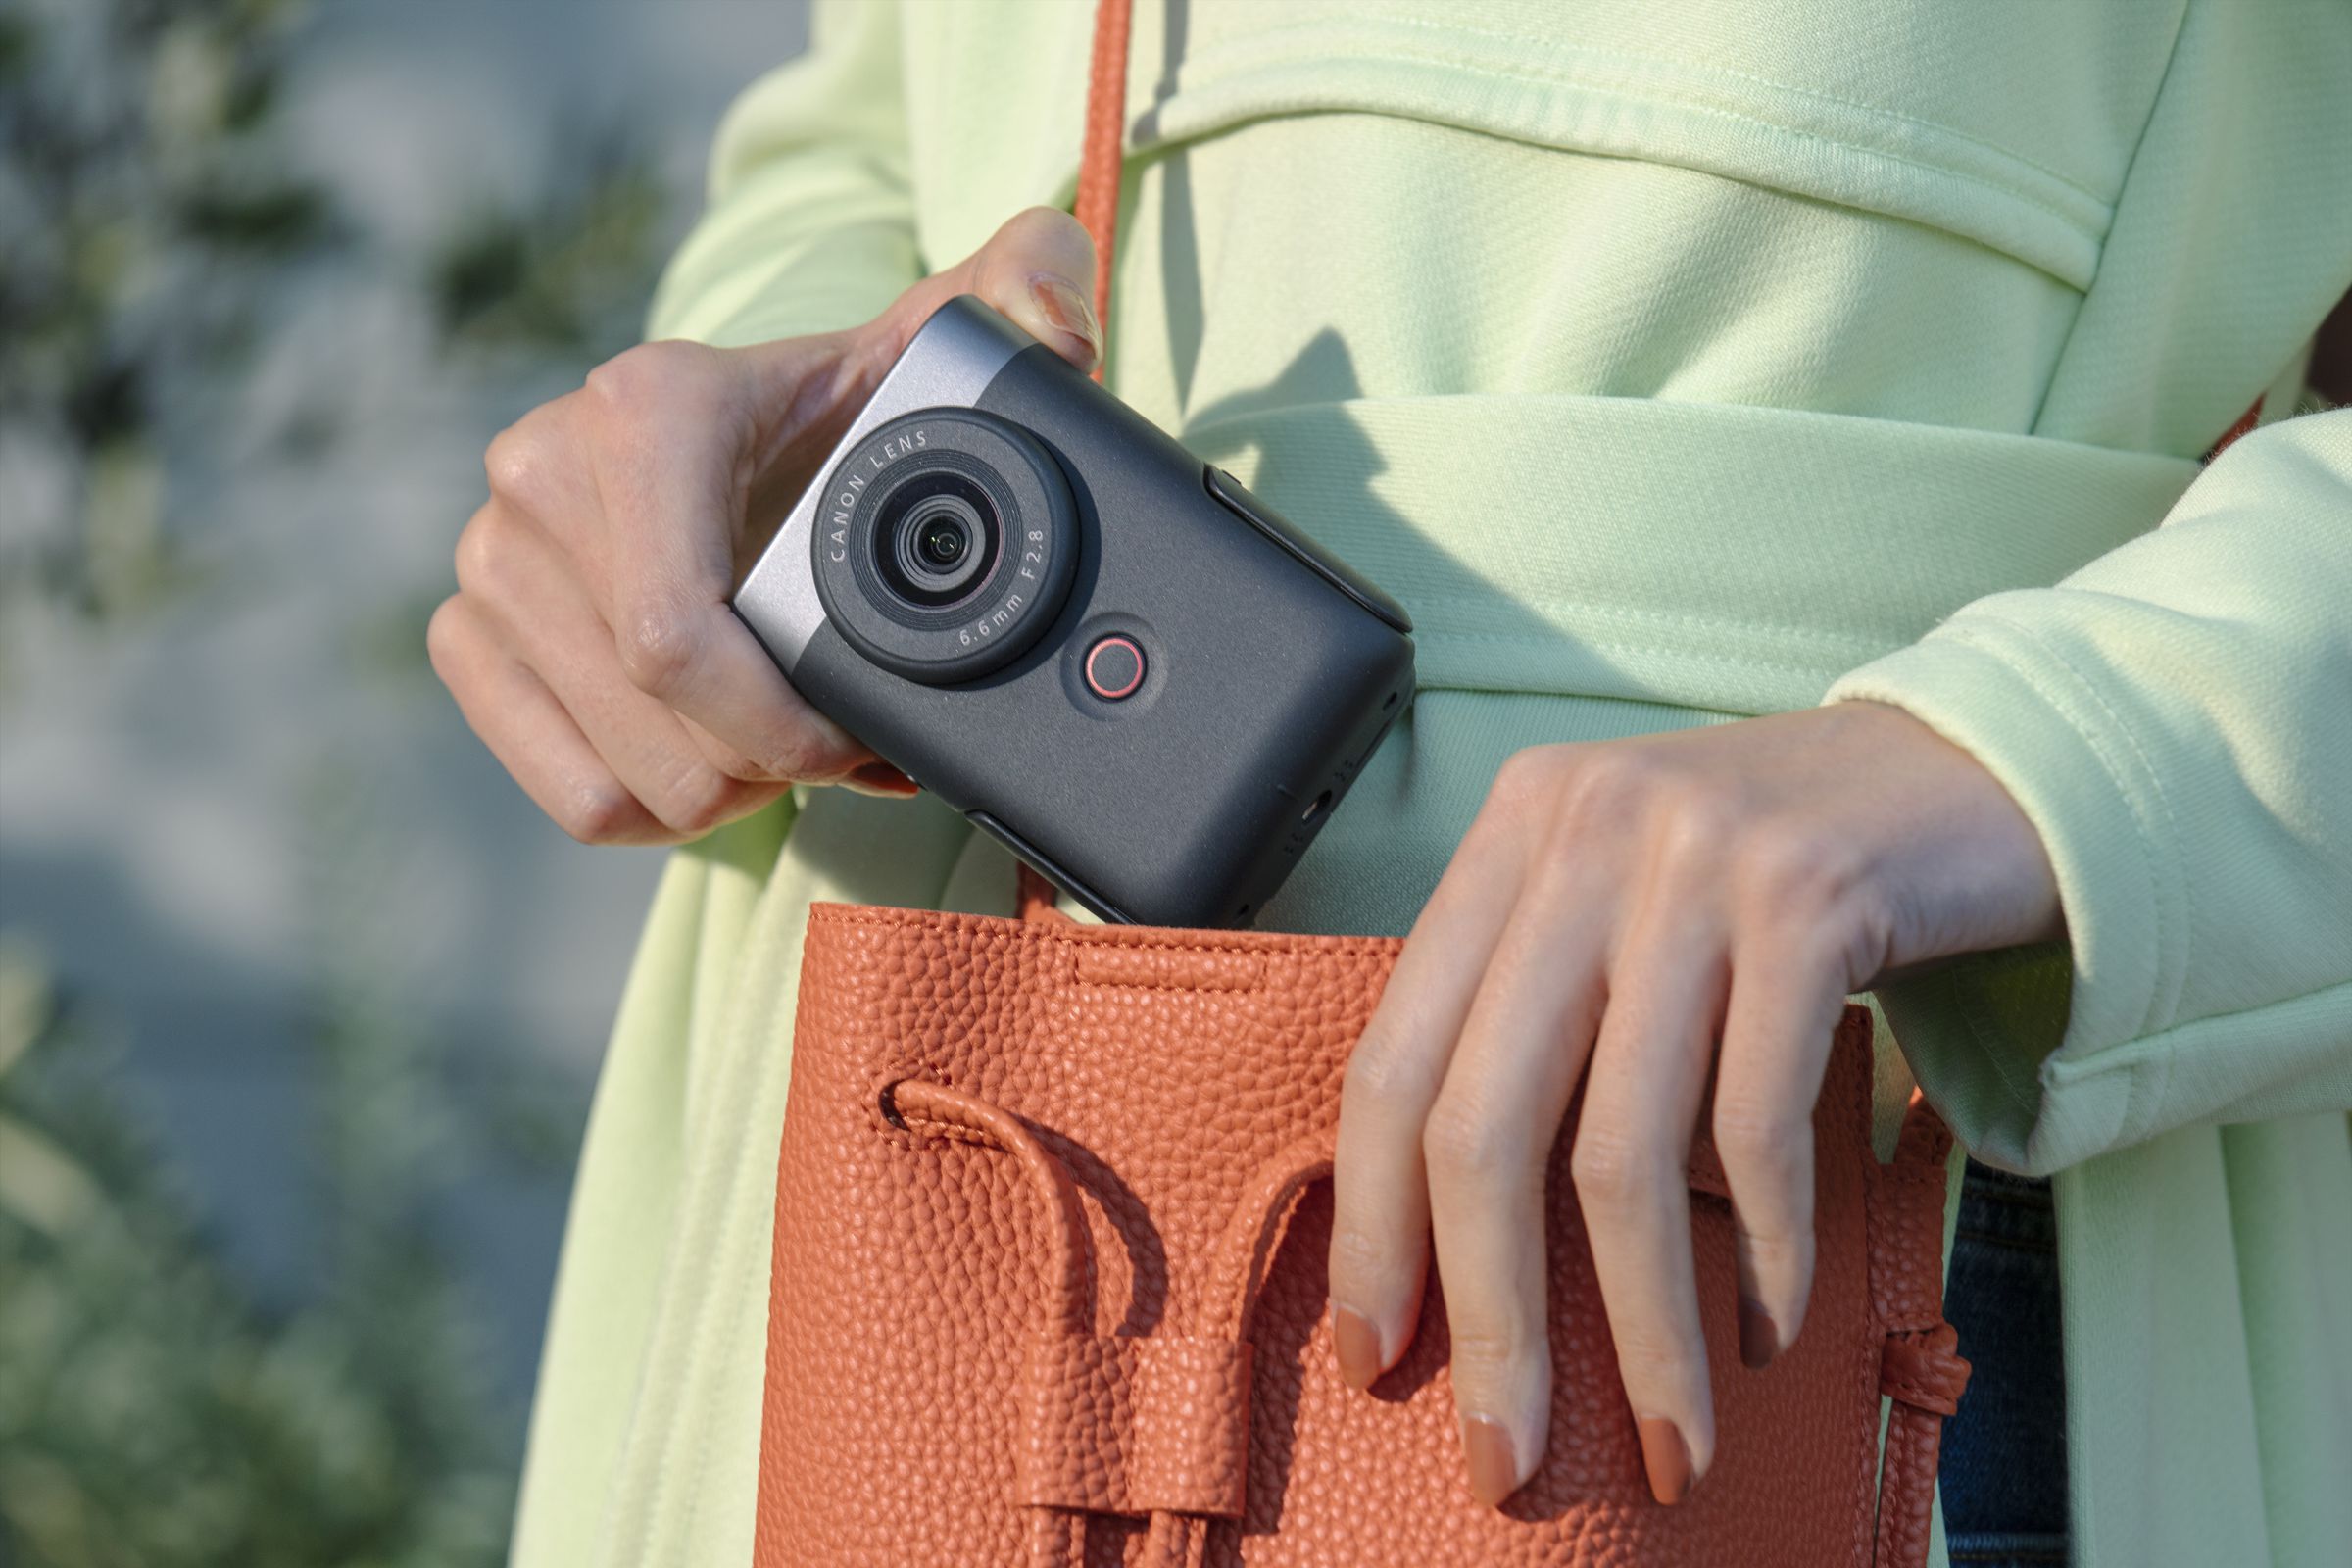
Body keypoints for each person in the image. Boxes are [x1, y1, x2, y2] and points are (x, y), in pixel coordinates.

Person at [428, 5, 2352, 1566]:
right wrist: (735, 428)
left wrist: (2035, 756)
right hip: (921, 1040)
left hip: (1807, 1112)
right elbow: (880, 117)